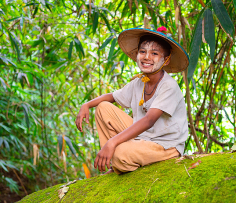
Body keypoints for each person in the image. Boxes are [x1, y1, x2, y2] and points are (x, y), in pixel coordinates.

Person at [75, 27, 189, 174]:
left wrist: (113, 142)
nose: (147, 57)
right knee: (103, 108)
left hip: (165, 145)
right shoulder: (139, 82)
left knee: (119, 152)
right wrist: (87, 105)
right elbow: (112, 96)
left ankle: (120, 160)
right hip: (142, 138)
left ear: (166, 60)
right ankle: (118, 161)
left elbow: (149, 120)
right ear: (136, 55)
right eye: (143, 52)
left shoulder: (169, 86)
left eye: (154, 53)